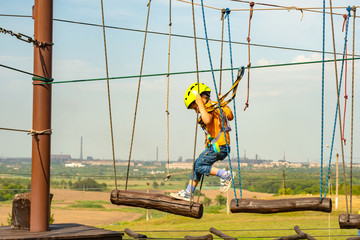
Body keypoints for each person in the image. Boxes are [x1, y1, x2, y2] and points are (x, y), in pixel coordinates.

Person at [170, 82, 234, 201]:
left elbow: (207, 120)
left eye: (195, 108)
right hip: (221, 146)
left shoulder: (209, 107)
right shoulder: (217, 106)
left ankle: (225, 175)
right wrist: (222, 103)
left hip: (219, 146)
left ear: (202, 99)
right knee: (197, 166)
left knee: (199, 165)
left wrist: (200, 103)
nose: (196, 111)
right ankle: (189, 192)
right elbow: (230, 116)